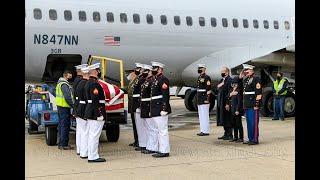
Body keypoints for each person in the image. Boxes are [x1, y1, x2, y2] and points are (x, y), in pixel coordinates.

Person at [83, 63, 107, 162]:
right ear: (95, 71)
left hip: (90, 111)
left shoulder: (89, 82)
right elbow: (95, 100)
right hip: (95, 112)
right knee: (94, 135)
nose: (99, 72)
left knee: (91, 134)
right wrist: (99, 114)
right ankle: (93, 156)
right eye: (98, 70)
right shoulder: (94, 84)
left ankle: (90, 154)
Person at [150, 61, 171, 158]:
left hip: (160, 108)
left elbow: (165, 95)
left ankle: (164, 151)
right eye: (153, 68)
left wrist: (164, 108)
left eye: (156, 69)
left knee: (162, 130)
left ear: (160, 69)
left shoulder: (163, 79)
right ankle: (161, 149)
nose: (154, 70)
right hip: (155, 107)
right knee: (159, 130)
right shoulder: (155, 79)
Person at [242, 64, 262, 145]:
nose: (246, 72)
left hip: (253, 104)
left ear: (252, 70)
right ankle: (250, 138)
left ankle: (254, 139)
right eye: (245, 71)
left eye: (247, 70)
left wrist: (257, 105)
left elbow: (259, 93)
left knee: (253, 122)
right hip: (247, 104)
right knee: (249, 122)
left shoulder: (256, 79)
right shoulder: (246, 79)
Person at [140, 65, 158, 154]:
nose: (144, 72)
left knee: (152, 128)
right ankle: (149, 146)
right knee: (148, 127)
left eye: (146, 70)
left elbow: (152, 95)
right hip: (144, 106)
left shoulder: (152, 81)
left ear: (150, 71)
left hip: (148, 106)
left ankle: (153, 147)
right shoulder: (147, 81)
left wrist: (152, 107)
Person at [56, 70, 74, 150]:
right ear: (65, 75)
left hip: (60, 107)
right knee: (65, 126)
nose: (71, 77)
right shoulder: (64, 84)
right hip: (64, 107)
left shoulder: (59, 83)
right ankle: (64, 145)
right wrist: (73, 105)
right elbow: (67, 97)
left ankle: (61, 144)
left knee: (61, 125)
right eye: (70, 75)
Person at [131, 63, 147, 151]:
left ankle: (144, 144)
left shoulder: (142, 80)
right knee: (139, 126)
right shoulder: (138, 79)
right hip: (136, 105)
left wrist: (139, 106)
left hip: (139, 105)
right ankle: (142, 143)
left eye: (139, 69)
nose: (136, 70)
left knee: (143, 126)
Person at [126, 64, 143, 147]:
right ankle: (136, 140)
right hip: (132, 106)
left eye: (129, 74)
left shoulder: (137, 81)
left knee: (138, 125)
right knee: (135, 125)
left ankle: (139, 141)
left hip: (136, 106)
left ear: (133, 74)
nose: (128, 76)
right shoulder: (132, 82)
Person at [75, 66, 90, 159]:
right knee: (85, 132)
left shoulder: (78, 82)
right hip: (83, 108)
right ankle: (84, 152)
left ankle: (80, 149)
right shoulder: (84, 84)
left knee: (80, 131)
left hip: (78, 108)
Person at [216, 67, 233, 140]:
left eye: (223, 71)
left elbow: (229, 92)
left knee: (227, 118)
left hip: (226, 102)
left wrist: (227, 103)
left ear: (227, 72)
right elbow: (217, 88)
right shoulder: (221, 80)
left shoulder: (229, 80)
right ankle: (225, 133)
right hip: (220, 102)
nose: (222, 73)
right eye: (221, 71)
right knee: (222, 118)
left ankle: (229, 134)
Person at [226, 76, 244, 143]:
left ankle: (241, 137)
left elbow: (239, 101)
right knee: (233, 124)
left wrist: (237, 110)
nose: (233, 85)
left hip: (236, 110)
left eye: (235, 84)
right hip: (232, 110)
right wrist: (230, 94)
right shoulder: (231, 91)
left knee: (239, 124)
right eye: (233, 84)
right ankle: (235, 137)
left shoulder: (238, 91)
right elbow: (227, 97)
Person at [196, 64, 212, 136]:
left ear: (204, 69)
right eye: (199, 68)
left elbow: (208, 90)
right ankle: (202, 130)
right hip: (199, 98)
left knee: (205, 115)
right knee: (201, 115)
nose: (199, 69)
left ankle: (206, 131)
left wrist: (207, 99)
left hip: (204, 98)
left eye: (201, 68)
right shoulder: (199, 77)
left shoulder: (207, 77)